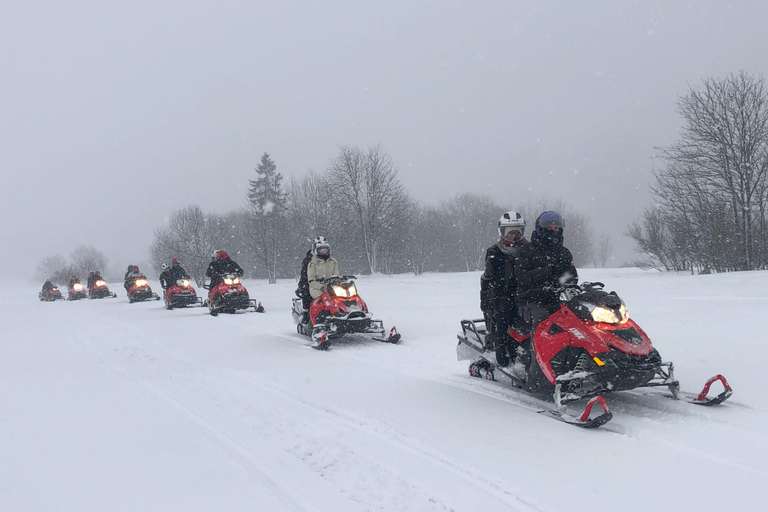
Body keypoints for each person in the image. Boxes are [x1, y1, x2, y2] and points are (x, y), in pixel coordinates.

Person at [515, 211, 578, 341]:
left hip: (558, 299)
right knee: (542, 317)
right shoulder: (527, 251)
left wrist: (560, 283)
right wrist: (546, 273)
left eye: (556, 228)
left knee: (579, 315)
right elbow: (522, 277)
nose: (553, 231)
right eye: (549, 228)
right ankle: (536, 356)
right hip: (530, 301)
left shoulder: (564, 253)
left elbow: (572, 276)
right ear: (540, 229)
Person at [480, 211, 528, 366]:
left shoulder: (529, 250)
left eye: (517, 231)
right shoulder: (495, 252)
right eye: (510, 232)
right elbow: (487, 279)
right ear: (502, 232)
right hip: (504, 296)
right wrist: (488, 304)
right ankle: (502, 349)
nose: (514, 236)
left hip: (527, 294)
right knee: (504, 313)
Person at [307, 236, 339, 301]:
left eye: (325, 249)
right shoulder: (313, 263)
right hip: (317, 288)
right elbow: (311, 280)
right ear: (317, 250)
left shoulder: (333, 262)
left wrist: (337, 282)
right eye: (321, 250)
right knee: (323, 299)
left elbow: (336, 275)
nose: (324, 251)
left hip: (331, 287)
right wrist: (321, 287)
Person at [295, 247, 314, 322]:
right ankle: (306, 313)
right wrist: (301, 285)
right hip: (311, 282)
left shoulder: (330, 260)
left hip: (327, 283)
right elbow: (304, 274)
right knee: (307, 293)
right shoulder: (308, 260)